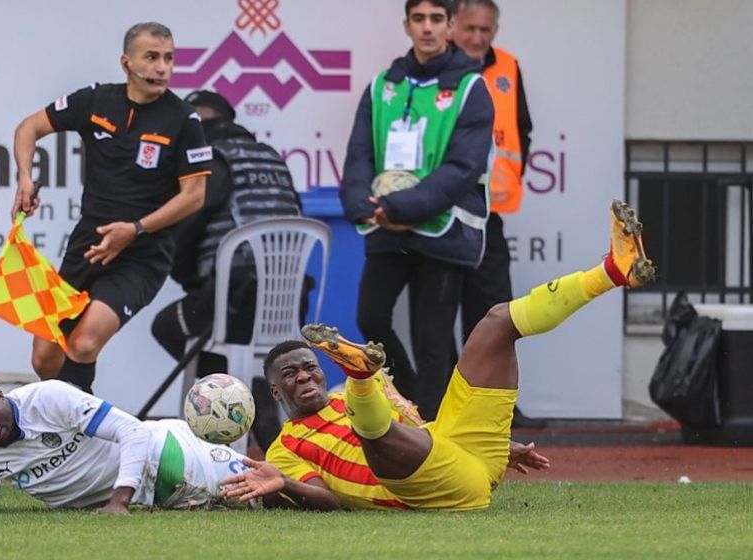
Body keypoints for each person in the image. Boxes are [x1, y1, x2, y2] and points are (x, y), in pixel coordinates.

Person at [221, 200, 655, 510]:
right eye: (291, 374)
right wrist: (283, 484)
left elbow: (423, 431)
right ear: (275, 393)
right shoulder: (285, 448)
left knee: (497, 322)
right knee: (371, 427)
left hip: (463, 452)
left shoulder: (336, 406)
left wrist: (502, 446)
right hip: (428, 490)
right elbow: (327, 498)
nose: (304, 376)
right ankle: (362, 377)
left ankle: (612, 271)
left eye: (310, 367)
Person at [10, 22, 212, 394]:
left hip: (143, 251)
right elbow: (28, 128)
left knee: (84, 343)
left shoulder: (184, 120)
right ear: (126, 62)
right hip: (88, 243)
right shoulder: (95, 101)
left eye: (168, 59)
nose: (162, 68)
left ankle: (85, 439)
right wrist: (25, 177)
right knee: (44, 357)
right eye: (151, 57)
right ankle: (73, 426)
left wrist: (134, 229)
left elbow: (194, 196)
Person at [339, 0, 495, 420]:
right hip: (388, 225)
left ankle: (432, 441)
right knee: (369, 317)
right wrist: (361, 206)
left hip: (444, 230)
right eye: (419, 19)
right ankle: (411, 401)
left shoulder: (470, 89)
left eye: (436, 20)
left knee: (432, 341)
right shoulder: (381, 87)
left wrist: (400, 206)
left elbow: (463, 168)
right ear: (406, 25)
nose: (427, 28)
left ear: (450, 27)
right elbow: (358, 156)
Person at [150, 90, 303, 450]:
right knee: (220, 343)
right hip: (289, 304)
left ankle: (248, 398)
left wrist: (188, 278)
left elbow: (185, 231)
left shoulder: (212, 161)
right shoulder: (271, 158)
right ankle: (255, 397)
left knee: (168, 326)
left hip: (233, 301)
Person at [0, 366, 256, 514]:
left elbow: (132, 431)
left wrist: (119, 500)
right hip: (148, 500)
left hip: (166, 455)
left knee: (266, 494)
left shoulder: (49, 398)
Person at [452, 0, 540, 427]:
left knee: (494, 312)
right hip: (443, 212)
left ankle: (500, 407)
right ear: (453, 27)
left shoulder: (508, 66)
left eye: (485, 29)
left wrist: (510, 175)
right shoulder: (439, 69)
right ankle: (447, 404)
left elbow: (521, 128)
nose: (477, 38)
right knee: (438, 314)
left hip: (491, 212)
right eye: (469, 28)